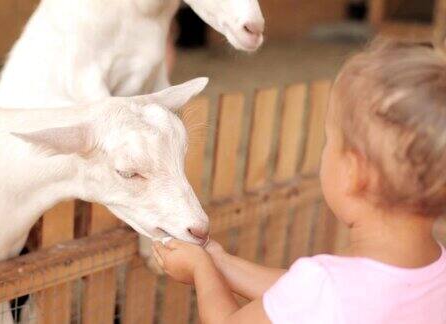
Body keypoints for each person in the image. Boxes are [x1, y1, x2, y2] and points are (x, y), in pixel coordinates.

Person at [153, 39, 446, 324]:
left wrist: (201, 272)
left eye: (330, 141)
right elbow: (305, 302)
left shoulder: (324, 285)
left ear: (354, 172)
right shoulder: (436, 270)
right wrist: (221, 263)